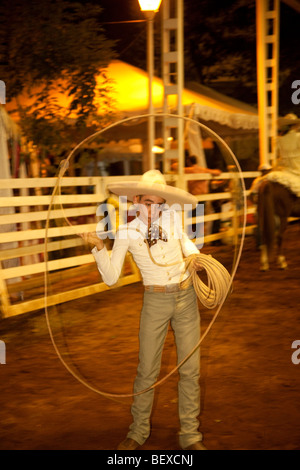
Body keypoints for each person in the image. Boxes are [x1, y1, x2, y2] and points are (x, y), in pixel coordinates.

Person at [81, 170, 207, 451]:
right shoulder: (126, 232)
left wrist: (195, 256)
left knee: (190, 369)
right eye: (149, 202)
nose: (155, 209)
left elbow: (187, 244)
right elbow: (112, 278)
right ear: (136, 201)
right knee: (147, 370)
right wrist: (100, 248)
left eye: (160, 203)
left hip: (186, 298)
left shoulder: (173, 220)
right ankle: (138, 431)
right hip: (155, 301)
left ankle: (190, 435)